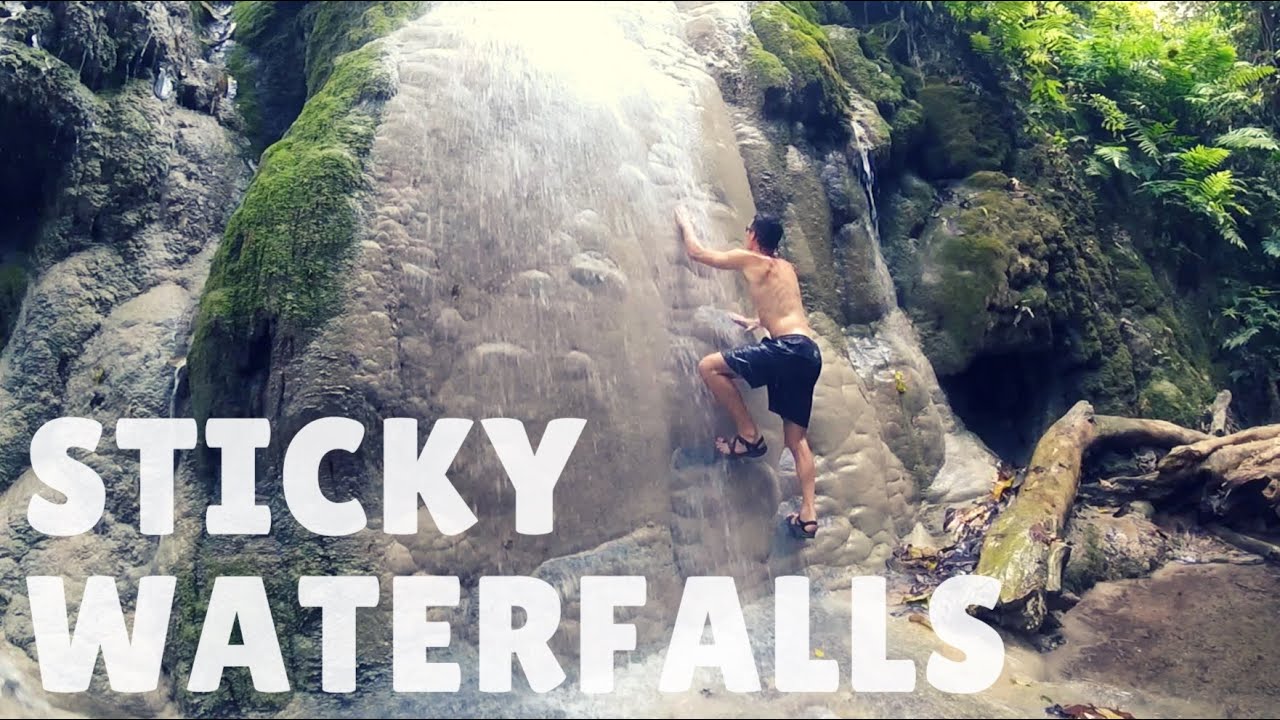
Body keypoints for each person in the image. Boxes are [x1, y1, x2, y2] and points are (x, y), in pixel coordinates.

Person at [674, 206, 823, 540]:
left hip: (785, 350)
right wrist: (757, 322)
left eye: (748, 230)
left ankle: (749, 436)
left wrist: (684, 222)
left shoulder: (751, 259)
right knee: (796, 440)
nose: (745, 235)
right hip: (808, 352)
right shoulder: (786, 268)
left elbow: (697, 253)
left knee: (708, 366)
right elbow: (785, 308)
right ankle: (809, 515)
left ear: (754, 236)